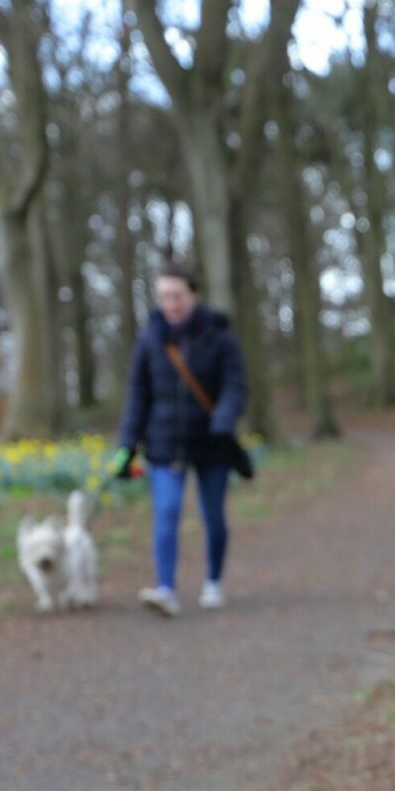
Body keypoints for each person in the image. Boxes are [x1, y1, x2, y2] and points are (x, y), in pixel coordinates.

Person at [114, 263, 248, 618]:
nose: (170, 304)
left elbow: (236, 386)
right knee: (167, 512)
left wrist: (223, 418)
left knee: (213, 516)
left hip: (211, 441)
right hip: (164, 442)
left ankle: (213, 581)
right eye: (163, 297)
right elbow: (137, 397)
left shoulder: (220, 337)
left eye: (177, 296)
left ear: (194, 295)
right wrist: (127, 444)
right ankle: (166, 590)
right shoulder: (149, 340)